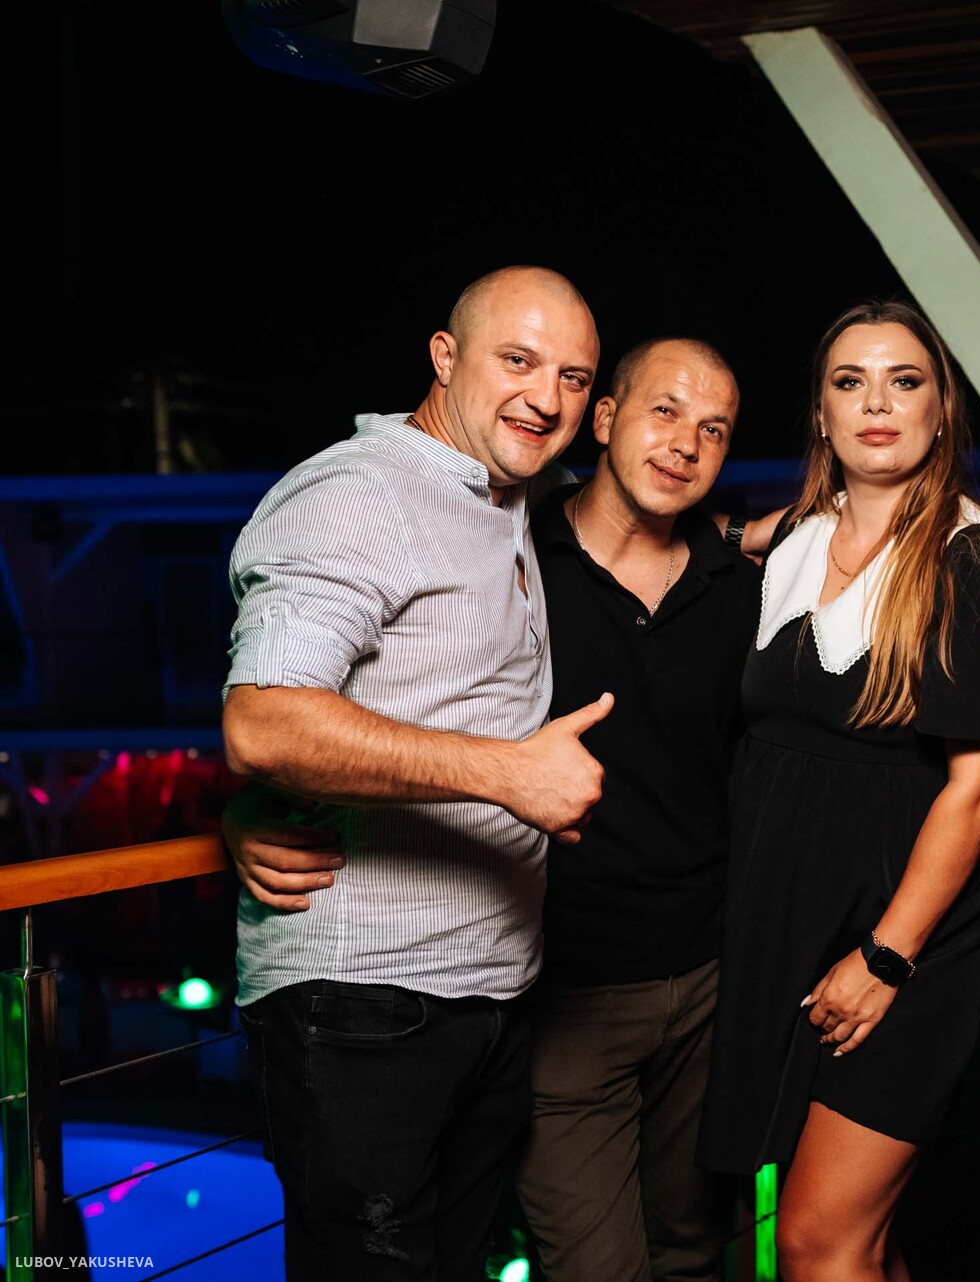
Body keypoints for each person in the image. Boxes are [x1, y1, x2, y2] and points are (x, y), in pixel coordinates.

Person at [221, 265, 610, 1279]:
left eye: (572, 377)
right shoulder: (358, 496)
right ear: (445, 357)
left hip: (489, 988)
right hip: (366, 1000)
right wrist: (507, 774)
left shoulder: (504, 489)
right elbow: (262, 719)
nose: (545, 397)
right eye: (517, 360)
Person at [696, 300, 980, 1282]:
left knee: (816, 1241)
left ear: (942, 411)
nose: (877, 404)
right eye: (850, 383)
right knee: (862, 1243)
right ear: (821, 413)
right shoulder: (791, 543)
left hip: (907, 934)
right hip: (788, 917)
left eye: (905, 381)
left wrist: (887, 958)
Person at [510, 338, 757, 1282]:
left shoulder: (743, 591)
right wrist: (272, 811)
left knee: (692, 1255)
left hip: (708, 988)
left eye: (714, 430)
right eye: (666, 411)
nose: (686, 444)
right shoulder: (515, 561)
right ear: (605, 419)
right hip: (565, 995)